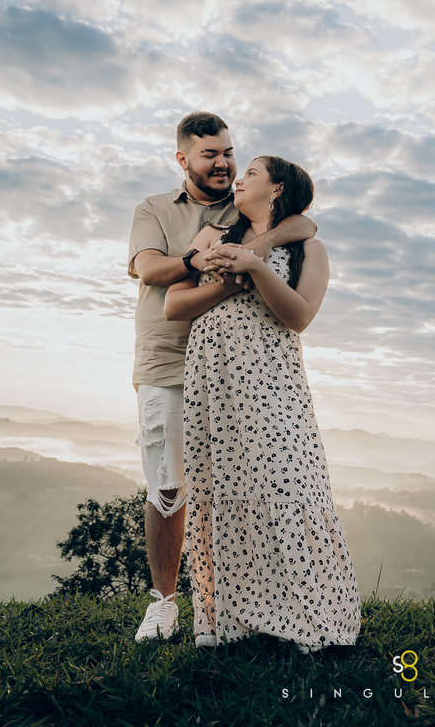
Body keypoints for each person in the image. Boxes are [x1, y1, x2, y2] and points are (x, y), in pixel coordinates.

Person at [127, 113, 315, 642]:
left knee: (237, 486)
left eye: (229, 152)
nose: (223, 163)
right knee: (168, 486)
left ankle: (240, 606)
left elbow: (300, 227)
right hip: (168, 360)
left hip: (233, 371)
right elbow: (150, 271)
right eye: (210, 154)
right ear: (183, 158)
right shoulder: (155, 209)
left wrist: (246, 253)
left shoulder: (242, 205)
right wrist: (198, 256)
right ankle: (164, 603)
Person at [165, 155, 360, 652]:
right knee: (224, 486)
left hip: (272, 380)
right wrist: (230, 275)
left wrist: (255, 265)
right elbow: (173, 306)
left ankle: (309, 614)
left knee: (287, 482)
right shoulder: (211, 235)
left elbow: (298, 316)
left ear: (276, 190)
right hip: (215, 379)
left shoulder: (309, 249)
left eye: (252, 172)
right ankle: (229, 620)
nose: (240, 178)